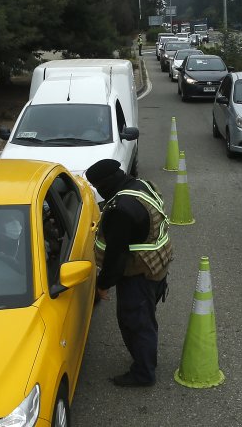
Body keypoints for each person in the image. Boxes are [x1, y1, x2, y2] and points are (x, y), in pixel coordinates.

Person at [85, 158, 172, 387]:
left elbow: (116, 256)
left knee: (135, 323)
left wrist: (103, 285)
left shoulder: (120, 210)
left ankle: (143, 374)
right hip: (157, 266)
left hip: (138, 274)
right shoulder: (142, 185)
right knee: (145, 320)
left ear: (104, 184)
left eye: (97, 186)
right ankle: (147, 359)